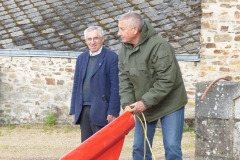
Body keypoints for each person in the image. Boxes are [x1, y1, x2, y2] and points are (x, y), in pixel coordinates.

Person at [117, 12, 188, 160]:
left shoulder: (160, 46)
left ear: (135, 29)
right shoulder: (124, 49)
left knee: (172, 147)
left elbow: (166, 80)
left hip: (170, 104)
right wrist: (128, 103)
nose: (119, 33)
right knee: (139, 148)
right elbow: (125, 78)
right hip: (143, 105)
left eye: (122, 29)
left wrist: (145, 102)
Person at [69, 26, 120, 142]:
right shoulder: (81, 58)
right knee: (86, 147)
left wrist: (113, 110)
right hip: (83, 110)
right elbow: (76, 85)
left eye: (96, 38)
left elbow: (115, 87)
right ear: (85, 41)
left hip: (102, 110)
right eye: (89, 39)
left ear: (103, 38)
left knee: (101, 146)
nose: (92, 42)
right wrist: (74, 108)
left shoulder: (111, 57)